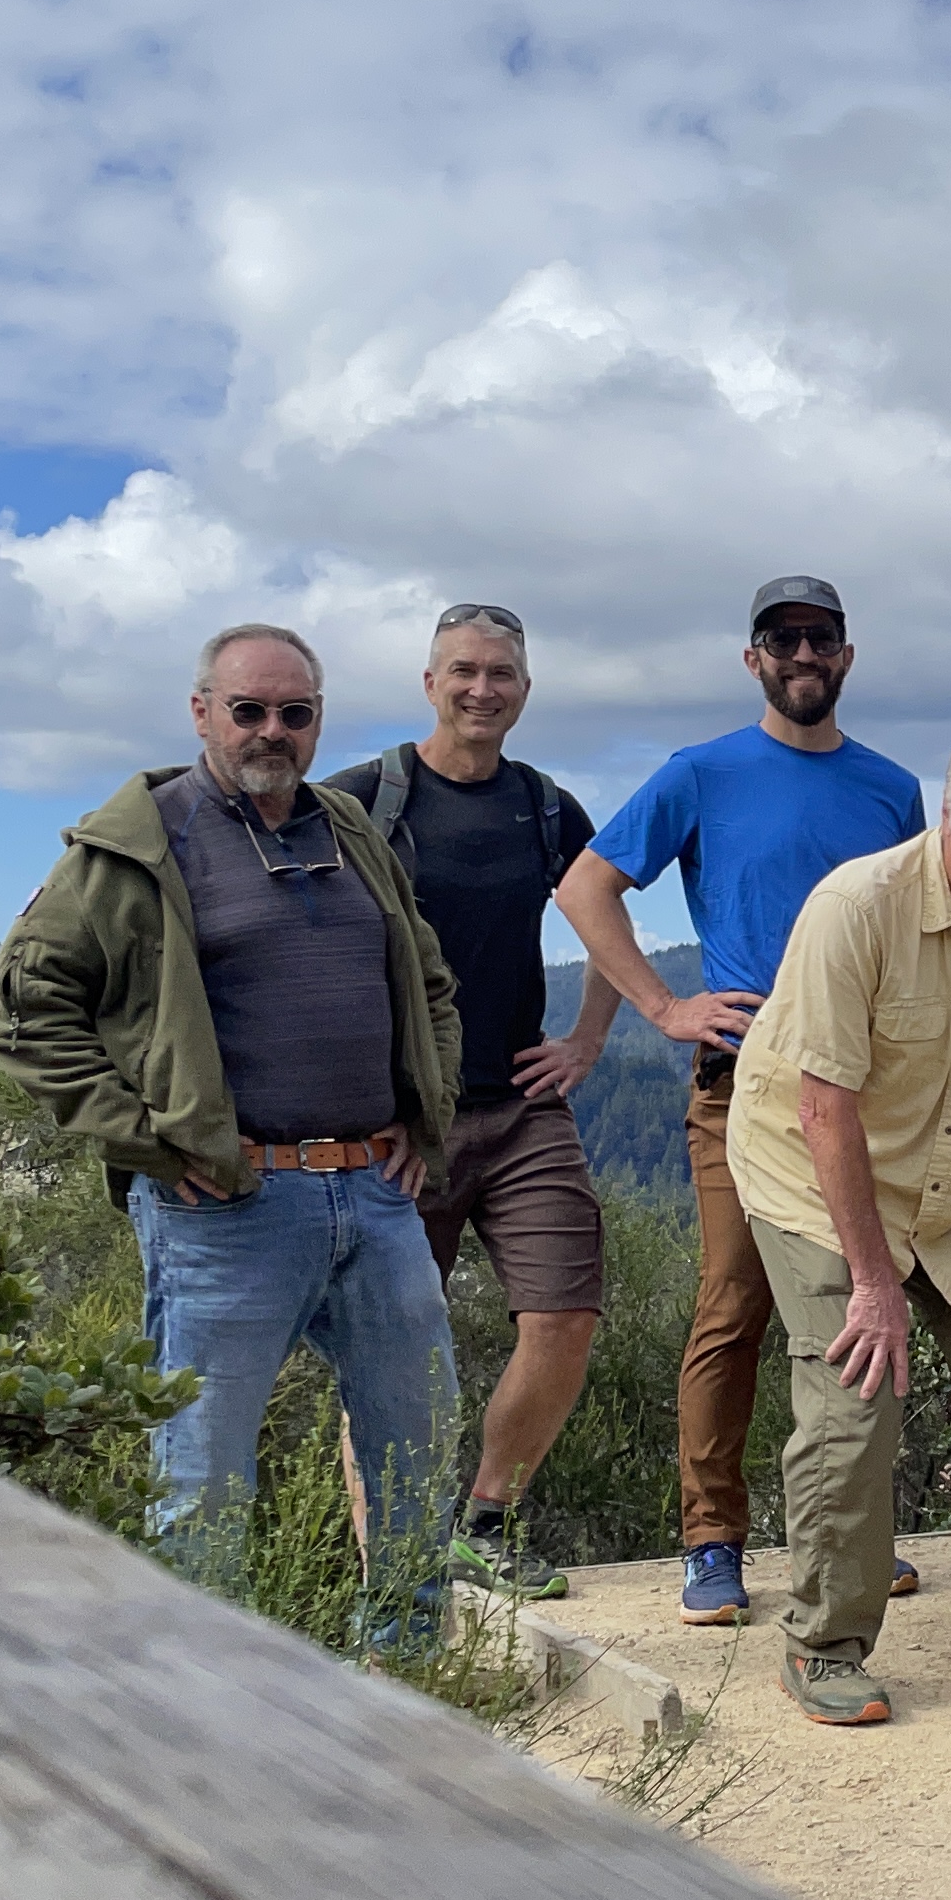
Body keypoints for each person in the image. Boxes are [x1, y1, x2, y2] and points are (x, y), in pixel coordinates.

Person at [0, 624, 464, 1646]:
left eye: (296, 712)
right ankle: (200, 1694)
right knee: (200, 1479)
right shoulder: (136, 845)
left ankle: (414, 1676)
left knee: (418, 1449)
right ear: (202, 712)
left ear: (319, 720)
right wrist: (152, 1142)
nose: (272, 731)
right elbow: (21, 1014)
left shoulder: (349, 829)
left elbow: (428, 981)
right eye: (249, 710)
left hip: (376, 1192)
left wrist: (426, 1114)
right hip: (225, 1208)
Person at [569, 576, 925, 1631]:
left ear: (847, 655)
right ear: (753, 657)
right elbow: (585, 888)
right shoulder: (701, 772)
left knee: (863, 1304)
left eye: (821, 637)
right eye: (783, 638)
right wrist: (662, 1006)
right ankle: (711, 1540)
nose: (803, 654)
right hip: (742, 1086)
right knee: (734, 1308)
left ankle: (850, 1533)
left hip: (863, 1094)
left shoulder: (891, 790)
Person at [724, 728, 951, 1723]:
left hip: (945, 1190)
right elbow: (822, 1108)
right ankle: (824, 1645)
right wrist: (872, 1283)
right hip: (813, 1179)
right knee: (858, 1385)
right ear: (949, 811)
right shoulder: (857, 906)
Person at [320, 601, 612, 1598]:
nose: (482, 690)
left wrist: (588, 1038)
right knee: (388, 1346)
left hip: (523, 1107)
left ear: (524, 691)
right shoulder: (361, 802)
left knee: (565, 1315)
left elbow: (605, 915)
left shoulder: (547, 808)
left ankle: (485, 1523)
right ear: (430, 682)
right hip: (398, 1121)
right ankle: (390, 1573)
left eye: (500, 674)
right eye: (464, 671)